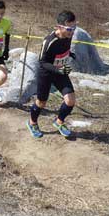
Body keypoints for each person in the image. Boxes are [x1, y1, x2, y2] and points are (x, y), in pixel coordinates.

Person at [27, 11, 78, 139]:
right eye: (69, 29)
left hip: (60, 72)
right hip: (46, 73)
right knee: (41, 103)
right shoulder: (49, 41)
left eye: (74, 28)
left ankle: (59, 122)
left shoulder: (69, 36)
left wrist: (70, 54)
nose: (72, 31)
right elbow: (42, 62)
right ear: (59, 27)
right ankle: (32, 123)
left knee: (70, 101)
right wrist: (58, 69)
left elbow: (63, 48)